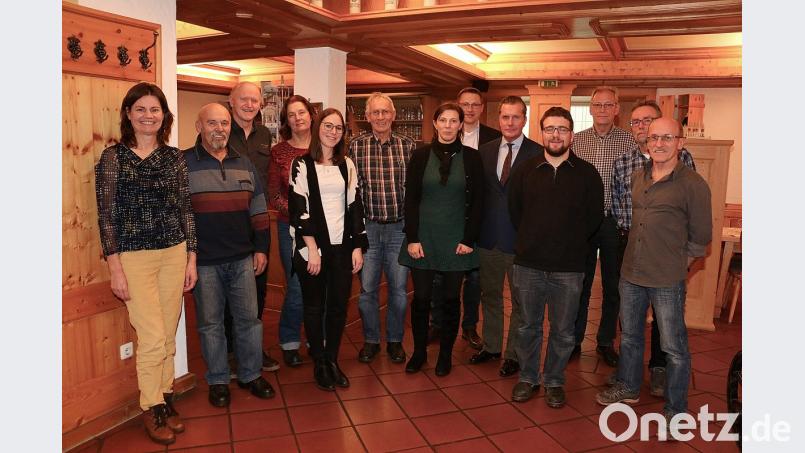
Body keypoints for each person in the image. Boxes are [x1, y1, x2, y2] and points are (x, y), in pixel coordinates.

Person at [95, 82, 197, 445]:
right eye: (141, 109)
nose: (148, 116)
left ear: (163, 116)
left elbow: (186, 209)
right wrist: (115, 267)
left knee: (167, 336)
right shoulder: (113, 158)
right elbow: (106, 217)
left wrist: (191, 257)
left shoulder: (174, 158)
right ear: (128, 114)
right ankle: (151, 406)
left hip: (174, 252)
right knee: (152, 337)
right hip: (134, 258)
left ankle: (166, 399)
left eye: (155, 110)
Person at [596, 117, 712, 423]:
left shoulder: (693, 184)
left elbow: (701, 239)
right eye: (653, 138)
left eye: (667, 138)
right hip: (631, 273)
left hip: (667, 279)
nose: (659, 144)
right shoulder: (638, 176)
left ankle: (676, 410)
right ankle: (630, 387)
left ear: (680, 142)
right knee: (631, 337)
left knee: (673, 347)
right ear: (646, 143)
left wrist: (677, 266)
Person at [508, 107, 603, 407]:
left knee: (564, 331)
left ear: (571, 135)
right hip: (528, 265)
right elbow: (515, 213)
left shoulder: (588, 174)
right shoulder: (524, 171)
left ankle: (554, 380)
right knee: (527, 326)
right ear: (542, 132)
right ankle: (528, 377)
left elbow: (594, 219)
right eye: (550, 128)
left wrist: (568, 243)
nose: (556, 134)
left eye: (562, 129)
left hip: (569, 268)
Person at [184, 103, 275, 408]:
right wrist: (188, 257)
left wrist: (261, 248)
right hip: (204, 262)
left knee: (249, 321)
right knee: (210, 324)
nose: (219, 129)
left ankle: (250, 374)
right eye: (212, 123)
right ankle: (218, 379)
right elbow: (179, 214)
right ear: (200, 127)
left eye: (223, 123)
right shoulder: (184, 164)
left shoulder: (245, 163)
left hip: (242, 259)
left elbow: (259, 209)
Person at [610, 100, 696, 396]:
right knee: (630, 324)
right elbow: (619, 208)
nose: (643, 126)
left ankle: (659, 370)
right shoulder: (623, 163)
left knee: (667, 325)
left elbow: (693, 218)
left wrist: (682, 258)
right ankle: (628, 380)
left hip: (666, 255)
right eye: (636, 122)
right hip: (632, 248)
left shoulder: (684, 163)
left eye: (648, 120)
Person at [399, 102, 484, 376]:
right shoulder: (420, 155)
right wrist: (412, 238)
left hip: (457, 241)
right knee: (421, 299)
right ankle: (420, 352)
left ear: (461, 125)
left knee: (450, 300)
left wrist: (469, 239)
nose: (448, 126)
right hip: (423, 239)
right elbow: (410, 199)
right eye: (443, 120)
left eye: (453, 121)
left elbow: (478, 204)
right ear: (435, 123)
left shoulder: (472, 157)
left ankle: (445, 355)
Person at [289, 108, 368, 391]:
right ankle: (319, 362)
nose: (333, 132)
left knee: (337, 307)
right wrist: (311, 248)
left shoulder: (347, 164)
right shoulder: (301, 164)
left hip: (342, 248)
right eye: (328, 126)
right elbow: (299, 208)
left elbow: (354, 205)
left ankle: (332, 359)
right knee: (314, 306)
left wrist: (357, 247)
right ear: (318, 127)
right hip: (312, 248)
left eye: (339, 128)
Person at [469, 96, 543, 378]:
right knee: (490, 296)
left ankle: (514, 354)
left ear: (524, 119)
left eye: (515, 117)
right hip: (488, 240)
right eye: (504, 117)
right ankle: (491, 346)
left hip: (521, 242)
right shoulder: (483, 152)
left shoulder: (537, 153)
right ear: (498, 119)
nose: (509, 122)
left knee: (522, 303)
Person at [429, 87, 502, 348]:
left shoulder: (495, 138)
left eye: (475, 105)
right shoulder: (440, 138)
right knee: (439, 278)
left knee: (473, 280)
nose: (470, 109)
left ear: (482, 108)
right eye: (465, 104)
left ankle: (469, 327)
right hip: (444, 222)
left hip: (476, 221)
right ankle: (437, 325)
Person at [571, 86, 638, 367]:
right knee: (579, 284)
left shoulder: (630, 142)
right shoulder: (576, 141)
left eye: (607, 105)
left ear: (616, 109)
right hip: (582, 223)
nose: (602, 109)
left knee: (613, 286)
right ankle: (573, 339)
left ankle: (604, 341)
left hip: (614, 222)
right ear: (590, 108)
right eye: (597, 104)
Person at [350, 92, 416, 365]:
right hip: (368, 230)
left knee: (399, 291)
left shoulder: (409, 146)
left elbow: (415, 192)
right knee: (367, 291)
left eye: (384, 112)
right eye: (374, 113)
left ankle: (395, 341)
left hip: (399, 229)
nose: (380, 117)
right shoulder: (355, 147)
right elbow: (350, 192)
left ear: (393, 115)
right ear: (367, 117)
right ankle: (371, 340)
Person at [225, 82, 279, 372]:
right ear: (231, 101)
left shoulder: (263, 135)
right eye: (243, 99)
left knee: (258, 287)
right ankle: (231, 354)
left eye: (254, 100)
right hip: (227, 220)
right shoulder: (220, 130)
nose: (249, 105)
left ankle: (254, 350)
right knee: (228, 290)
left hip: (259, 220)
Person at [268, 95, 314, 367]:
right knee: (297, 284)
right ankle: (289, 341)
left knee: (321, 285)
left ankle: (315, 338)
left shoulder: (325, 148)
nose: (298, 118)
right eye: (292, 114)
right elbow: (274, 194)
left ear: (311, 115)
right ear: (287, 120)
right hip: (290, 229)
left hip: (324, 230)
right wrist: (300, 215)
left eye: (302, 112)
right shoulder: (279, 152)